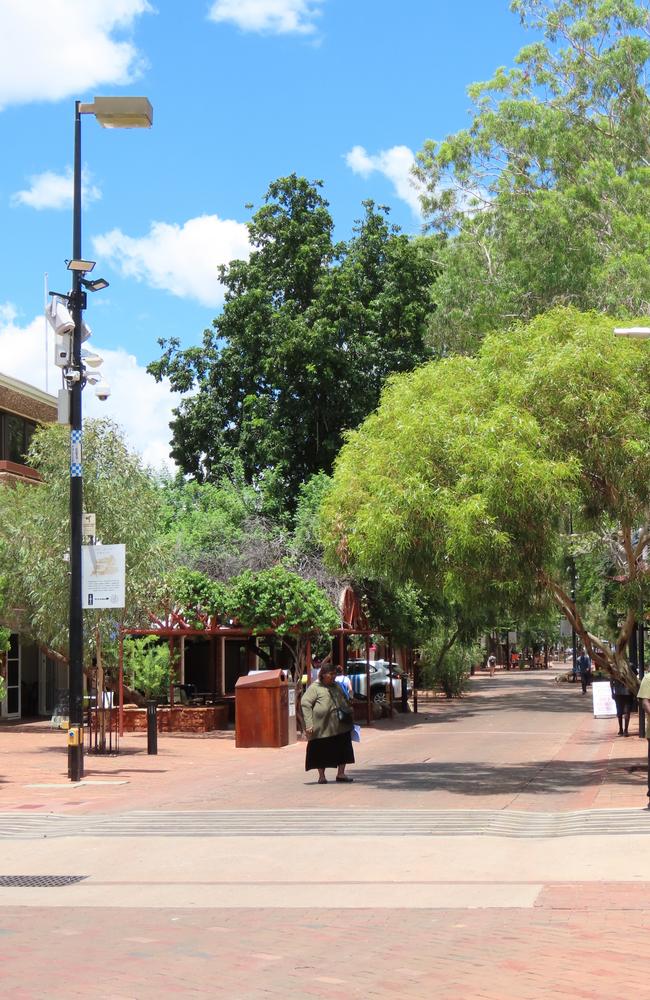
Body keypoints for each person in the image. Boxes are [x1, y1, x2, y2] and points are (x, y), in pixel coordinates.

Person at [301, 664, 355, 784]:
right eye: (331, 674)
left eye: (335, 674)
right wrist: (309, 723)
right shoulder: (315, 687)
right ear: (323, 675)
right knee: (321, 750)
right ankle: (322, 776)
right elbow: (305, 704)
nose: (334, 676)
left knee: (344, 749)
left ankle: (341, 774)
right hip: (322, 726)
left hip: (340, 725)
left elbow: (344, 699)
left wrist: (349, 709)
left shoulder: (336, 686)